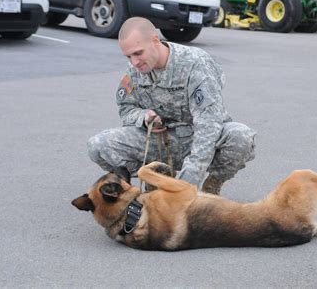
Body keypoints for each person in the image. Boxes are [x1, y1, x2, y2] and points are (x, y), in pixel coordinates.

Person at [87, 17, 256, 195]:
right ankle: (157, 177)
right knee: (98, 146)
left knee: (241, 137)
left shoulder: (195, 63)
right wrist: (143, 117)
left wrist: (188, 180)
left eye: (138, 53)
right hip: (160, 141)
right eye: (128, 56)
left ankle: (212, 186)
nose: (134, 62)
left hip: (196, 139)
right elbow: (126, 108)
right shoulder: (134, 71)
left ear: (155, 40)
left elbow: (208, 124)